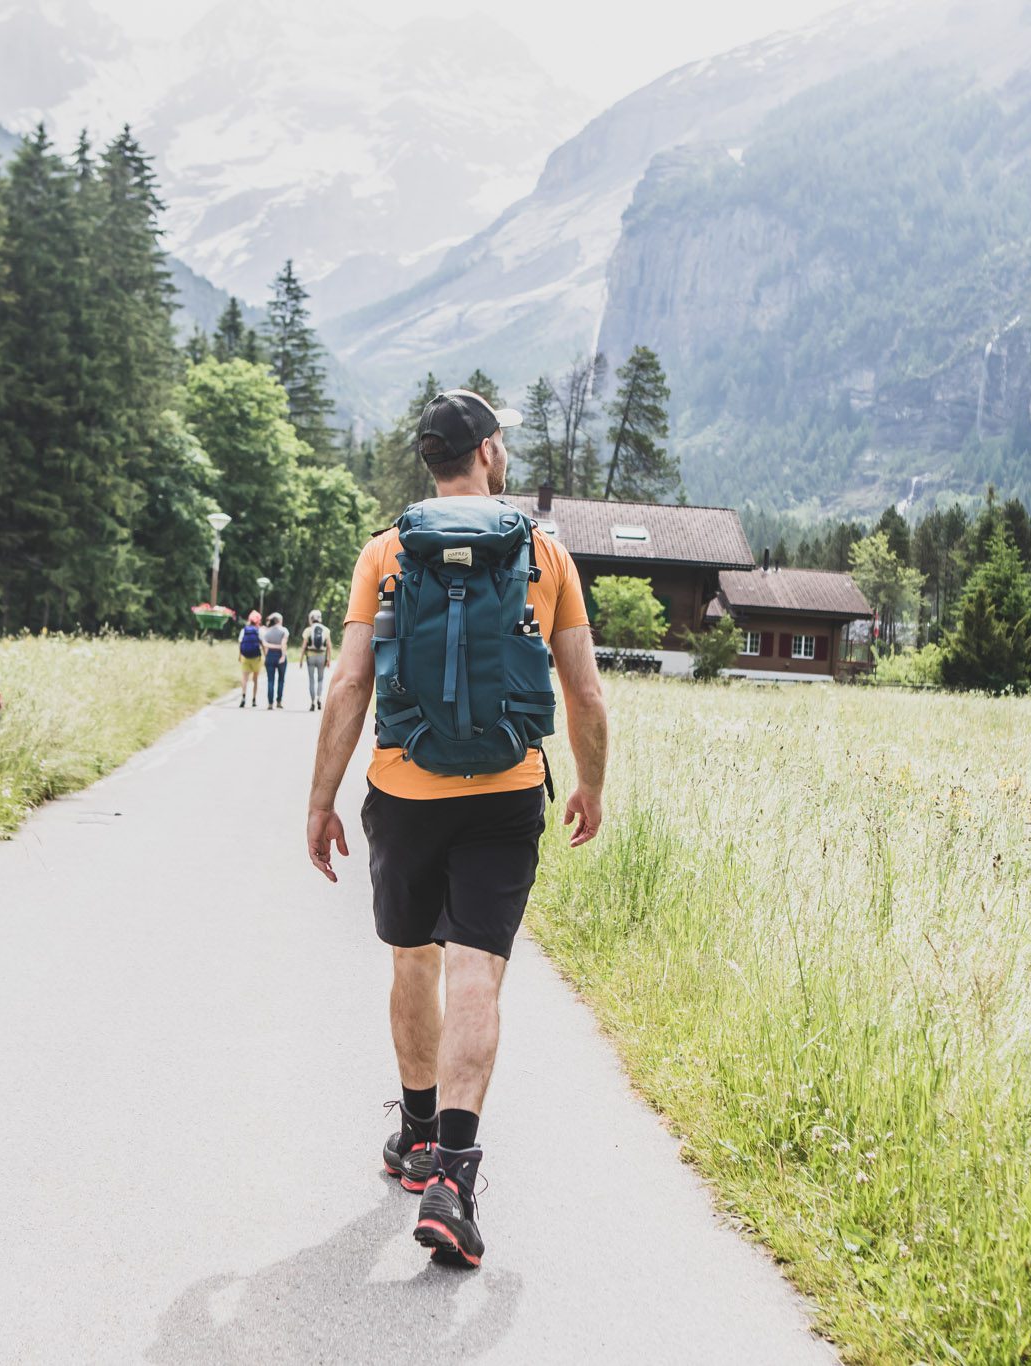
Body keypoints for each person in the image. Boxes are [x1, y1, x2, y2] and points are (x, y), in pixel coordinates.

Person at [307, 388, 608, 1271]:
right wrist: (589, 781)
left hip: (405, 789)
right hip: (507, 788)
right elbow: (585, 691)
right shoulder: (543, 554)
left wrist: (319, 800)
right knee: (478, 972)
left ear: (431, 459)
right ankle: (456, 1184)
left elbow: (349, 686)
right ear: (488, 452)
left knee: (413, 961)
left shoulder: (385, 552)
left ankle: (417, 1137)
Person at [301, 610, 332, 711]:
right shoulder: (326, 630)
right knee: (320, 679)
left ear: (311, 619)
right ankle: (319, 698)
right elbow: (329, 647)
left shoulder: (308, 630)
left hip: (310, 657)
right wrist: (328, 659)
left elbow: (304, 646)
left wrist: (301, 659)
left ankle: (312, 702)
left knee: (311, 680)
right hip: (322, 657)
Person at [261, 612, 290, 710]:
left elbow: (264, 645)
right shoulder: (284, 630)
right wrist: (282, 655)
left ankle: (270, 703)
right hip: (280, 656)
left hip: (270, 656)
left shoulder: (267, 632)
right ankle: (279, 701)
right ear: (279, 620)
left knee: (270, 680)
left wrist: (266, 656)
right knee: (281, 680)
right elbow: (284, 644)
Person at [238, 611, 264, 708]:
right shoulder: (259, 631)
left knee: (244, 678)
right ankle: (254, 699)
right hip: (256, 658)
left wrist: (239, 655)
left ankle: (243, 697)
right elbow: (263, 644)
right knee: (255, 679)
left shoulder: (244, 630)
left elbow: (240, 643)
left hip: (245, 657)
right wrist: (265, 654)